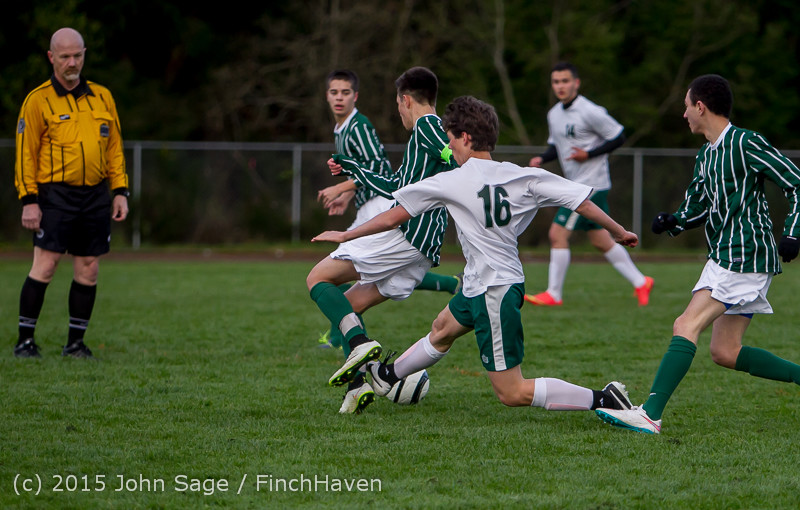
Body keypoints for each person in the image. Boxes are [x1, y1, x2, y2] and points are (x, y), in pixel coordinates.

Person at [313, 95, 638, 416]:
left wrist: (346, 234)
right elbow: (581, 201)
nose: (448, 146)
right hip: (479, 284)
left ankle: (606, 399)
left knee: (512, 392)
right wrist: (618, 231)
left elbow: (392, 216)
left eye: (451, 138)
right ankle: (387, 376)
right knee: (441, 329)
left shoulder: (451, 181)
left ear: (466, 138)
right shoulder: (522, 175)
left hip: (494, 290)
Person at [596, 74, 800, 434]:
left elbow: (796, 183)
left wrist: (793, 233)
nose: (684, 114)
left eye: (686, 106)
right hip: (724, 255)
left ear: (700, 106)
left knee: (685, 324)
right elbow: (699, 204)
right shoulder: (707, 153)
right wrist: (674, 220)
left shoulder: (746, 143)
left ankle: (650, 414)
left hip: (744, 255)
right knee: (725, 351)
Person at [306, 66, 457, 412]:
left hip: (407, 234)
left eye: (398, 105)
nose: (398, 112)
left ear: (405, 100)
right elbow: (395, 185)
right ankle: (358, 386)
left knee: (317, 278)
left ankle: (360, 344)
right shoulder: (420, 140)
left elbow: (452, 155)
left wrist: (461, 165)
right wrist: (352, 169)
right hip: (422, 248)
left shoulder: (428, 126)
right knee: (351, 305)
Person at [13, 28, 129, 359]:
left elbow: (115, 148)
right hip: (53, 195)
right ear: (52, 58)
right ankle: (25, 341)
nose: (71, 62)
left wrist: (120, 190)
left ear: (84, 54)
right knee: (46, 265)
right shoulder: (37, 100)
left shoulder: (103, 97)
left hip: (95, 196)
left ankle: (75, 344)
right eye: (64, 56)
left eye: (77, 55)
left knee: (89, 267)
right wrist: (29, 200)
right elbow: (25, 153)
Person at [525, 62, 653, 307]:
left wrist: (590, 154)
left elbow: (618, 135)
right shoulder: (554, 114)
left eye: (565, 81)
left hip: (590, 186)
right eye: (556, 82)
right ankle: (641, 281)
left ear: (576, 83)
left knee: (557, 234)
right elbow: (557, 146)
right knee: (600, 240)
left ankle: (554, 293)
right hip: (577, 184)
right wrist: (542, 158)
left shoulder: (590, 111)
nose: (560, 86)